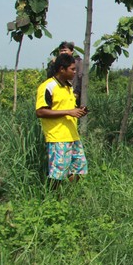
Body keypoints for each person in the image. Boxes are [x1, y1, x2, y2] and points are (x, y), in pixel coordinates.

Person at [35, 52, 88, 187]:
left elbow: (68, 108)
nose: (75, 72)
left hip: (72, 135)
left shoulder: (68, 86)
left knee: (79, 168)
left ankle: (67, 194)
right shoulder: (48, 86)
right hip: (57, 137)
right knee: (58, 174)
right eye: (72, 69)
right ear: (61, 69)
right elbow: (40, 111)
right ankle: (53, 200)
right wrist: (69, 112)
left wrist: (78, 110)